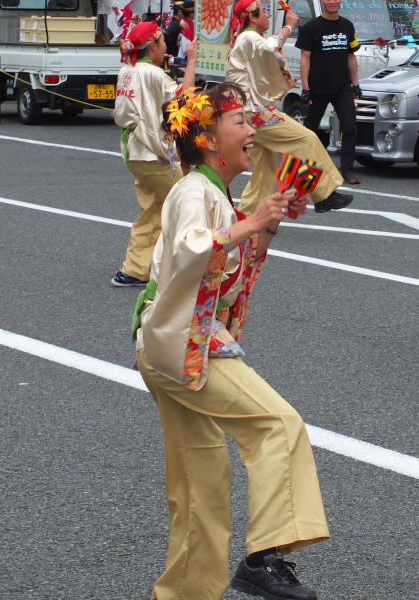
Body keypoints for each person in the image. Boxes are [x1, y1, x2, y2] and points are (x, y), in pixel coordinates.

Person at [135, 83, 330, 600]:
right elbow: (193, 251)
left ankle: (182, 594)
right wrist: (253, 222)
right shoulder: (193, 192)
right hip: (184, 341)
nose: (251, 130)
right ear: (206, 137)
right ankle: (263, 558)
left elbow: (231, 266)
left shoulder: (212, 192)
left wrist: (267, 223)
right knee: (278, 425)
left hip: (171, 340)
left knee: (200, 482)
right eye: (240, 121)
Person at [226, 0, 353, 216]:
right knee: (306, 140)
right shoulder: (248, 38)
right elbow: (269, 49)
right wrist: (288, 26)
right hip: (255, 111)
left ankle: (247, 219)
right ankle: (323, 194)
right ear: (252, 17)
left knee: (265, 172)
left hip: (247, 111)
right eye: (263, 12)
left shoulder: (247, 38)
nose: (267, 15)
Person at [110, 22, 198, 287]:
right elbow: (184, 100)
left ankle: (135, 269)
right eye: (162, 41)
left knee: (154, 210)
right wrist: (192, 61)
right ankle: (188, 265)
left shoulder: (127, 70)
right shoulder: (153, 74)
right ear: (153, 45)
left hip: (134, 151)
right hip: (154, 153)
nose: (166, 46)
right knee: (187, 202)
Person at [297, 0, 362, 184]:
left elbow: (351, 55)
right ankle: (304, 170)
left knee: (349, 126)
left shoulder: (347, 25)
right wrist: (305, 87)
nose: (332, 2)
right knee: (310, 130)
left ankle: (347, 170)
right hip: (317, 87)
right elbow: (305, 57)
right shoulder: (311, 27)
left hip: (342, 86)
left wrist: (356, 83)